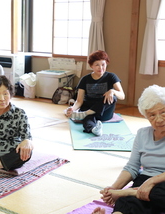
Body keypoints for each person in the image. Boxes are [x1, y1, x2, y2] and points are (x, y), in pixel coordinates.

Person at [94, 85, 165, 214]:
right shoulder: (142, 134)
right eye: (152, 115)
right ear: (146, 116)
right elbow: (132, 167)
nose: (159, 119)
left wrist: (151, 182)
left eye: (163, 112)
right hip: (143, 183)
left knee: (155, 194)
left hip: (161, 183)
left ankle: (129, 192)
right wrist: (114, 188)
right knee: (128, 203)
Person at [64, 50, 125, 136]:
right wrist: (73, 109)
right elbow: (79, 101)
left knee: (112, 97)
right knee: (88, 118)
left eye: (103, 64)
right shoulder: (85, 79)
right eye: (97, 65)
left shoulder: (111, 77)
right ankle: (94, 129)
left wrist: (113, 91)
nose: (101, 67)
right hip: (88, 108)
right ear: (91, 66)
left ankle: (86, 114)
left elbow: (122, 96)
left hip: (104, 112)